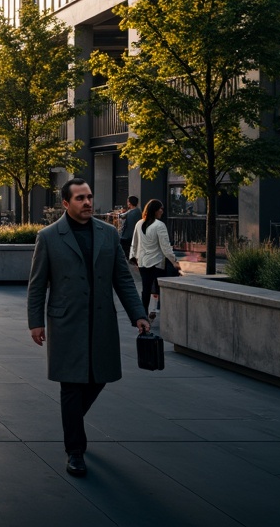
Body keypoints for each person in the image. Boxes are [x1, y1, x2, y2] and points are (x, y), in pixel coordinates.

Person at [27, 178, 149, 478]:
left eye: (90, 197)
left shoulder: (108, 234)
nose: (88, 203)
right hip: (65, 321)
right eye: (80, 198)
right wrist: (35, 322)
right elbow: (37, 284)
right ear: (66, 203)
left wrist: (139, 315)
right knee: (70, 384)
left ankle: (72, 422)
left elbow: (122, 278)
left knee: (99, 377)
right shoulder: (49, 236)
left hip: (101, 321)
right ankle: (75, 451)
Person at [130, 199, 180, 320]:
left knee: (146, 289)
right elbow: (165, 246)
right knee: (157, 287)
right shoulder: (159, 225)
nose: (162, 211)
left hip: (143, 261)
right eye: (161, 208)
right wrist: (174, 261)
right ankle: (154, 310)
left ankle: (144, 314)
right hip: (157, 262)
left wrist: (134, 258)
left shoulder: (139, 224)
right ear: (155, 210)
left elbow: (135, 243)